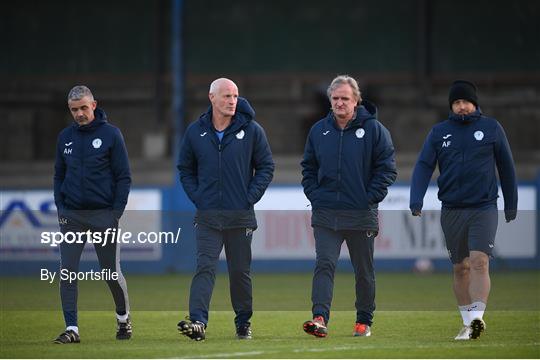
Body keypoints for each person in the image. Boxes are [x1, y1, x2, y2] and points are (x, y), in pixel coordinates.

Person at [410, 80, 517, 340]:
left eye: (465, 102)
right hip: (452, 209)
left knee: (480, 262)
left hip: (484, 207)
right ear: (451, 106)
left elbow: (506, 166)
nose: (461, 107)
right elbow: (424, 165)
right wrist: (416, 199)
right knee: (460, 268)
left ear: (474, 103)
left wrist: (511, 203)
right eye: (456, 103)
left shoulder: (491, 128)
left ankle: (478, 318)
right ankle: (468, 323)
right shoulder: (439, 132)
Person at [177, 78, 274, 341]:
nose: (232, 101)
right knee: (204, 268)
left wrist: (249, 196)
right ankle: (198, 321)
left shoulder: (252, 130)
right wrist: (198, 197)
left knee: (239, 273)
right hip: (208, 216)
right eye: (227, 96)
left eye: (235, 96)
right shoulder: (195, 132)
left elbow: (266, 167)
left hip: (240, 216)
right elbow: (185, 169)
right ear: (212, 98)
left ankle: (243, 323)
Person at [301, 75, 397, 338]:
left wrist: (368, 198)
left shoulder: (375, 130)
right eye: (335, 98)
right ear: (330, 101)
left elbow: (387, 169)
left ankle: (363, 322)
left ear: (356, 101)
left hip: (360, 214)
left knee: (363, 271)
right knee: (324, 265)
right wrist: (316, 195)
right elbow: (308, 168)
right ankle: (319, 318)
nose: (340, 102)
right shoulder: (318, 131)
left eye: (345, 98)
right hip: (326, 213)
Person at [53, 85, 132, 343]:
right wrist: (62, 210)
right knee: (67, 272)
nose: (79, 114)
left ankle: (123, 319)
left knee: (110, 272)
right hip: (72, 217)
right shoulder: (65, 137)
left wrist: (115, 214)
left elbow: (124, 177)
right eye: (74, 110)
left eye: (84, 108)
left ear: (94, 105)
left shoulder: (111, 135)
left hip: (103, 216)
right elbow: (58, 176)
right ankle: (72, 329)